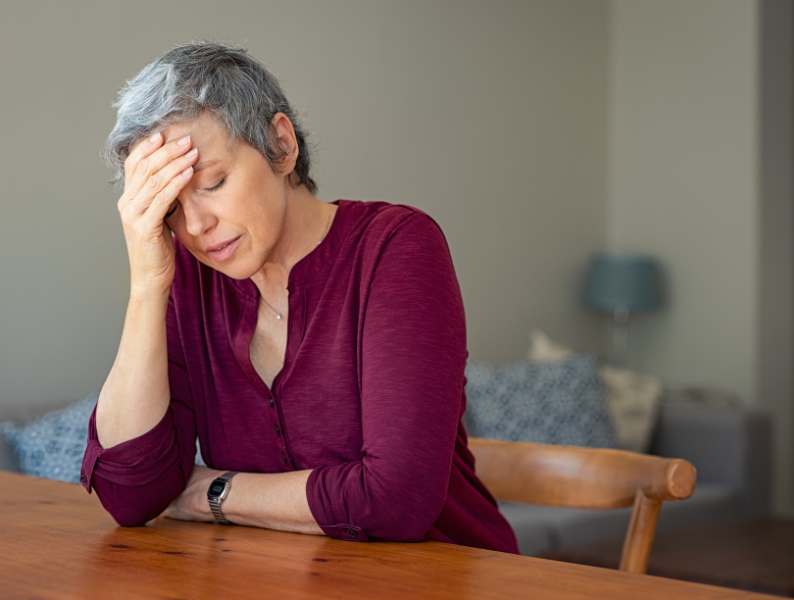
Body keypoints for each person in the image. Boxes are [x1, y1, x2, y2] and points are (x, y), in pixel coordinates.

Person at [81, 41, 518, 554]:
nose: (196, 227)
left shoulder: (396, 248)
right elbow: (129, 497)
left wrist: (208, 492)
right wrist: (147, 286)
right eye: (169, 209)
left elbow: (396, 499)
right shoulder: (188, 280)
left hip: (445, 578)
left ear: (281, 145)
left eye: (213, 183)